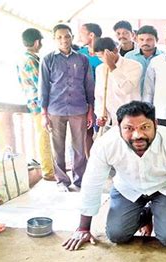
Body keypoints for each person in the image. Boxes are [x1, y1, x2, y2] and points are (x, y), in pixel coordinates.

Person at [63, 101, 166, 256]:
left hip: (164, 188)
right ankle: (146, 215)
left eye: (145, 127)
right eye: (129, 128)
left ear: (155, 124)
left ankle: (161, 213)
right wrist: (83, 228)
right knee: (116, 235)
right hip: (127, 188)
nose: (138, 135)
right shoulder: (106, 144)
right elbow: (92, 183)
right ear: (119, 128)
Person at [39, 24, 95, 192]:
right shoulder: (48, 59)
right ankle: (62, 181)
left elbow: (89, 85)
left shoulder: (82, 59)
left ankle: (79, 180)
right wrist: (44, 113)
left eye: (67, 36)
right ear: (54, 39)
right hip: (55, 109)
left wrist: (90, 110)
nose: (64, 40)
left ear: (72, 37)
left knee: (79, 147)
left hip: (79, 109)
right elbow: (43, 87)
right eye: (60, 37)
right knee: (58, 147)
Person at [17, 28, 55, 181]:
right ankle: (48, 171)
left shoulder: (24, 58)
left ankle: (49, 168)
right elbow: (40, 84)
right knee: (44, 136)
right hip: (39, 104)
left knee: (44, 135)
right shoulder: (31, 60)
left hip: (33, 101)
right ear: (37, 42)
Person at [93, 37, 142, 130]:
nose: (103, 60)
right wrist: (100, 115)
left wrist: (112, 67)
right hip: (109, 120)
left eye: (105, 56)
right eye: (99, 57)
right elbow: (99, 94)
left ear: (115, 50)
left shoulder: (134, 66)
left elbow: (127, 89)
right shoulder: (100, 69)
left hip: (129, 118)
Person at [78, 23, 103, 157]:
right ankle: (90, 163)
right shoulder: (80, 54)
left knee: (104, 131)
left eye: (82, 33)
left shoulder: (106, 52)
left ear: (91, 35)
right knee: (87, 132)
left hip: (104, 98)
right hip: (84, 99)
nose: (79, 36)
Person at [124, 25, 162, 94]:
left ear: (157, 40)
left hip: (156, 99)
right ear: (136, 40)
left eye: (149, 40)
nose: (145, 43)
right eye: (141, 39)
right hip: (134, 98)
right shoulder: (129, 57)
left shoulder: (163, 57)